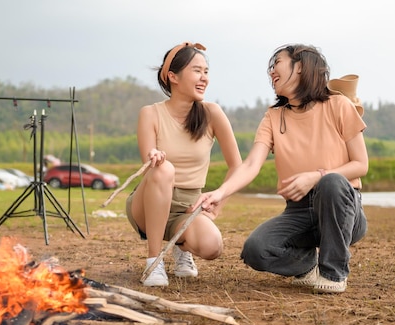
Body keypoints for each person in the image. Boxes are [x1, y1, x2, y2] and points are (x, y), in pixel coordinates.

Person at [195, 43, 368, 294]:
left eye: (277, 63)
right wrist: (219, 193)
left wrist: (315, 176)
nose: (271, 71)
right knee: (256, 250)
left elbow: (361, 165)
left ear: (300, 67)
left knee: (330, 182)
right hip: (299, 211)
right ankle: (309, 266)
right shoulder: (274, 117)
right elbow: (252, 164)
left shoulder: (338, 105)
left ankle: (333, 273)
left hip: (343, 208)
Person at [126, 42, 242, 287]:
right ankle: (153, 262)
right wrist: (154, 156)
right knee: (163, 167)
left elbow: (237, 166)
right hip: (149, 204)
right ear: (173, 77)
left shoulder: (212, 113)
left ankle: (181, 246)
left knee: (212, 246)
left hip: (188, 208)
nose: (204, 78)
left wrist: (218, 206)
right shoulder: (151, 113)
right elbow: (149, 161)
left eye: (206, 72)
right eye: (197, 71)